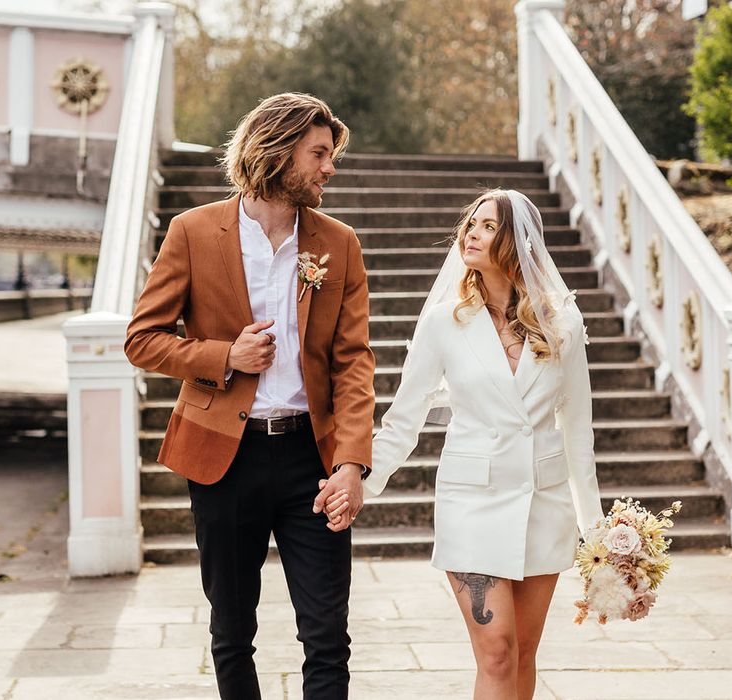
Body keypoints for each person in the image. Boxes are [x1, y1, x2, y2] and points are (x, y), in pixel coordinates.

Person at [125, 92, 375, 700]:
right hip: (223, 459)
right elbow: (142, 340)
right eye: (318, 153)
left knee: (328, 636)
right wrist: (221, 357)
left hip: (310, 461)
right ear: (278, 149)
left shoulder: (338, 243)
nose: (329, 168)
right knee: (232, 631)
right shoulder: (192, 232)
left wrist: (350, 463)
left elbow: (353, 362)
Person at [325, 188, 604, 700]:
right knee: (496, 651)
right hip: (472, 503)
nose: (471, 233)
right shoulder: (444, 323)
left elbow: (577, 432)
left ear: (518, 242)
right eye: (471, 224)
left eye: (488, 226)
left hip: (545, 504)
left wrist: (599, 532)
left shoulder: (563, 322)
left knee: (523, 652)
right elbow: (403, 418)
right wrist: (361, 480)